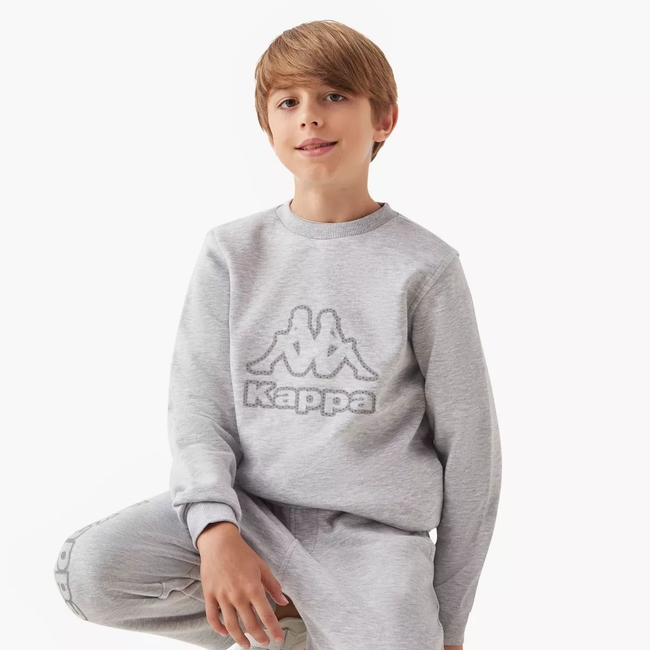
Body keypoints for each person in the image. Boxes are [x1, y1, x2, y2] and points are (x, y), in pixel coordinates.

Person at [53, 19, 502, 650]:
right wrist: (215, 531)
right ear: (268, 129)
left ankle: (309, 625)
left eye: (334, 96)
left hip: (371, 542)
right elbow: (200, 409)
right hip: (251, 516)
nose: (309, 116)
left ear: (384, 120)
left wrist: (450, 625)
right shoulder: (232, 253)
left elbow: (473, 452)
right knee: (91, 571)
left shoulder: (425, 268)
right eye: (288, 102)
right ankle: (277, 627)